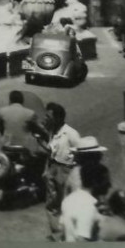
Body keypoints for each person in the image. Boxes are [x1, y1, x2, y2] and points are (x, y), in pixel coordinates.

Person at [42, 102, 81, 239]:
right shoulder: (52, 132)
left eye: (49, 117)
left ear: (58, 118)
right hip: (53, 168)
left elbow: (80, 153)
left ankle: (68, 234)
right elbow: (50, 152)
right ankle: (56, 233)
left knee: (66, 204)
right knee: (52, 203)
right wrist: (46, 170)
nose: (46, 119)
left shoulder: (71, 133)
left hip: (66, 170)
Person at [60, 162, 112, 242]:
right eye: (106, 180)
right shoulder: (88, 206)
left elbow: (63, 231)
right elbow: (82, 241)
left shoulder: (69, 199)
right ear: (95, 181)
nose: (109, 185)